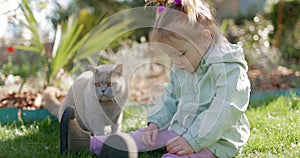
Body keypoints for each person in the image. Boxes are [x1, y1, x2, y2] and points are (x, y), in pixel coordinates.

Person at [60, 0, 251, 157]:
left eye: (181, 54)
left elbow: (224, 110)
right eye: (172, 56)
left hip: (219, 139)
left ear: (205, 38)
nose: (177, 63)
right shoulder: (183, 64)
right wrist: (155, 123)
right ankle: (86, 143)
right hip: (183, 127)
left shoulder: (228, 67)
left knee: (176, 156)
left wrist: (193, 141)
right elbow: (170, 96)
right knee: (142, 136)